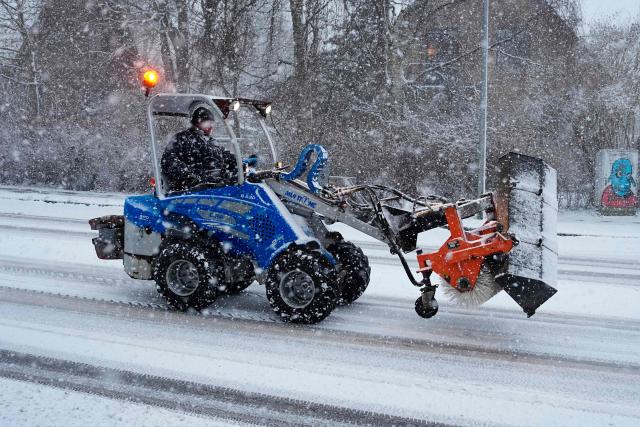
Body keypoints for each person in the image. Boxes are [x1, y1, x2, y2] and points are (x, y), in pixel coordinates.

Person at [161, 107, 238, 193]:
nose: (211, 127)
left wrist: (242, 163)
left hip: (216, 186)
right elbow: (168, 161)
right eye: (207, 123)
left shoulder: (212, 142)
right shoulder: (182, 139)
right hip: (192, 190)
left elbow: (226, 157)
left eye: (212, 124)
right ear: (198, 122)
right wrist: (191, 177)